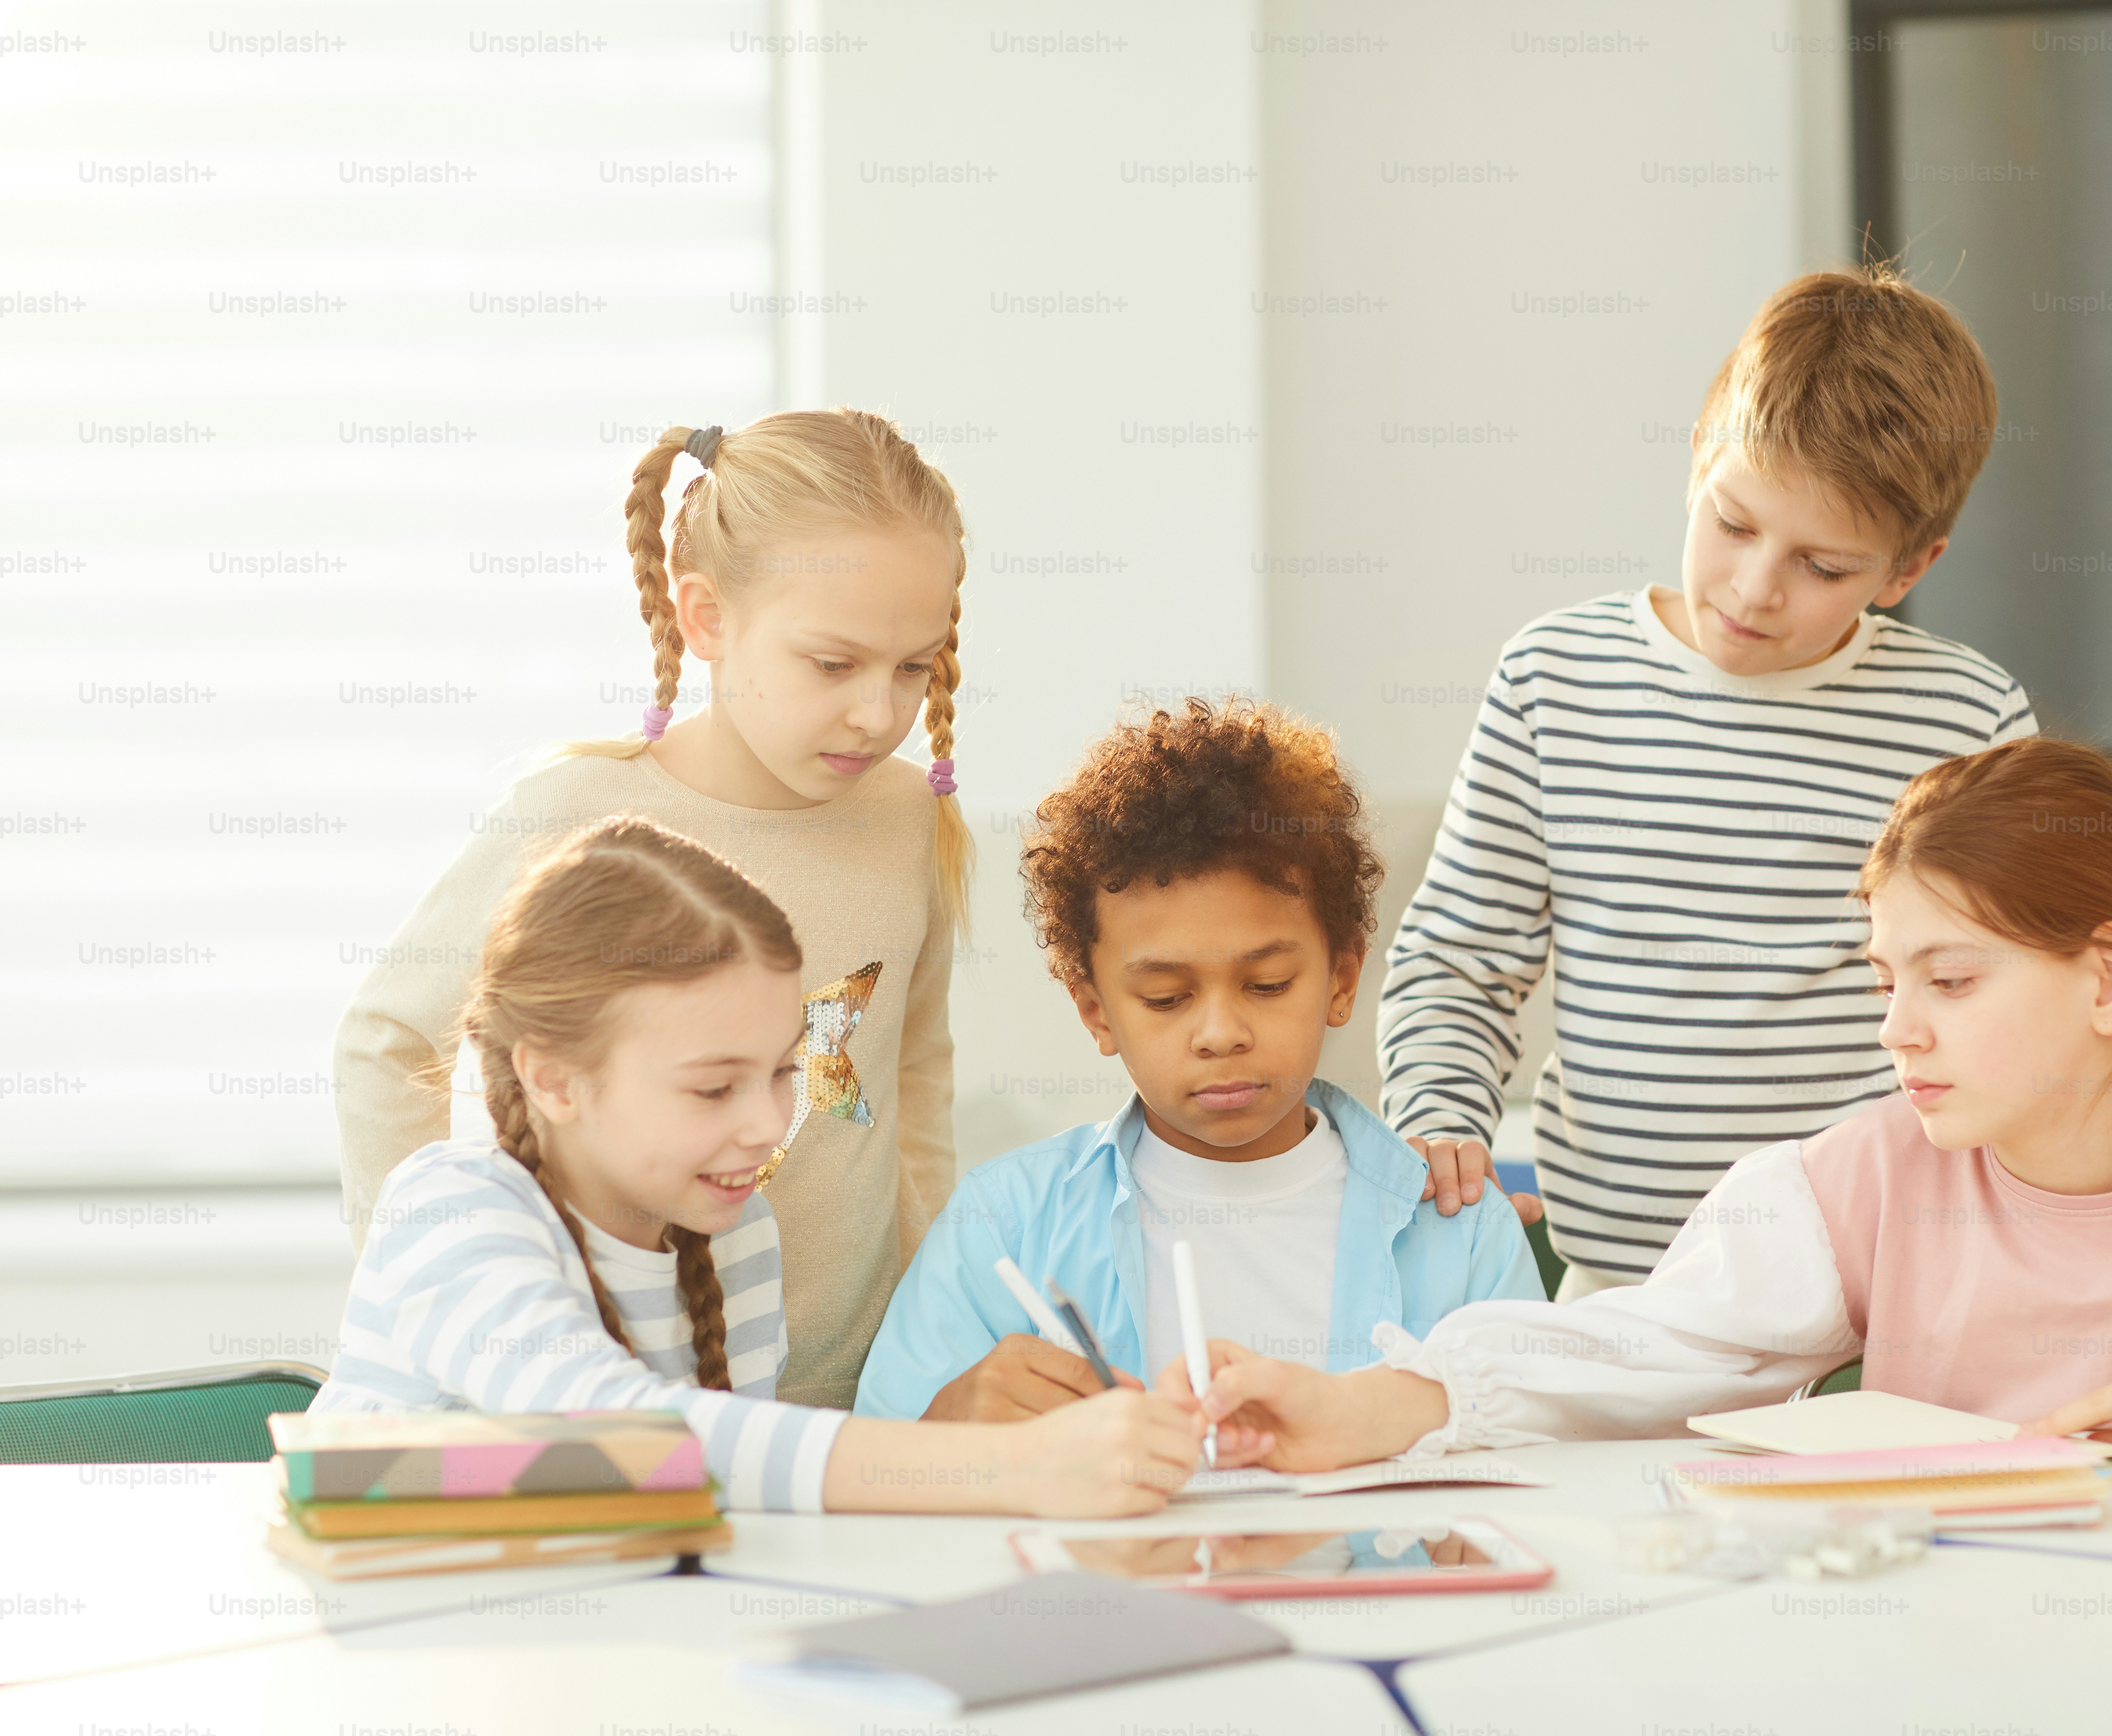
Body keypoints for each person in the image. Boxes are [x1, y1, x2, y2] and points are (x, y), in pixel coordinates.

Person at [1166, 739, 2112, 1468]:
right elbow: (1638, 1351)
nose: (1897, 1027)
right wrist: (1365, 1405)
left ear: (2110, 980)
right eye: (1888, 976)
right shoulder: (1861, 1185)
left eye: (1953, 979)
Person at [1384, 264, 2037, 1292]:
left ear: (1910, 570)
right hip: (1621, 1286)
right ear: (1699, 453)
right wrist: (1439, 1121)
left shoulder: (1969, 717)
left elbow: (2008, 1011)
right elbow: (1462, 962)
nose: (1754, 588)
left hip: (1884, 1290)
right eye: (1734, 523)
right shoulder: (1554, 680)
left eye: (1824, 567)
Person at [334, 412, 969, 1406]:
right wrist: (444, 1294)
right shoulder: (571, 812)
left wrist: (936, 1323)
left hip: (852, 1407)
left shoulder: (905, 819)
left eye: (912, 668)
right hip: (607, 1409)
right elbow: (386, 1040)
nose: (878, 715)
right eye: (834, 664)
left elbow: (914, 1073)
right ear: (706, 619)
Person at [316, 818, 1204, 1514]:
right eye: (713, 1089)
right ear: (554, 1078)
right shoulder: (455, 1209)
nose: (768, 1125)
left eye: (783, 1071)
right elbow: (618, 1438)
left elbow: (737, 1485)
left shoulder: (736, 1230)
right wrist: (1002, 1465)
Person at [854, 698, 1543, 1423]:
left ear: (1342, 980)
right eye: (1165, 997)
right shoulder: (1003, 1227)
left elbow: (1546, 1466)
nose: (1220, 1034)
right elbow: (883, 1474)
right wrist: (949, 1428)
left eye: (1268, 985)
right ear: (1095, 1009)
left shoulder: (1457, 1231)